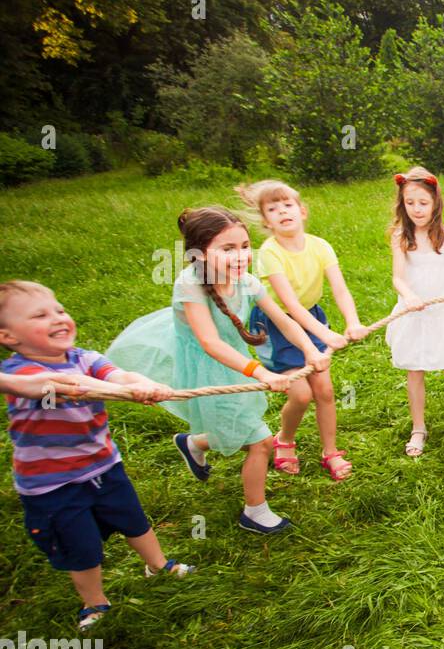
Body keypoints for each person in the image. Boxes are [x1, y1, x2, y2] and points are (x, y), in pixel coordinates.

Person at [108, 207, 325, 535]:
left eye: (244, 246)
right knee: (261, 441)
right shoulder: (189, 285)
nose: (240, 256)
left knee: (239, 427)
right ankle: (255, 512)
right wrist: (261, 373)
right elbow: (210, 343)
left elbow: (281, 319)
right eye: (227, 249)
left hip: (235, 362)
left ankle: (194, 443)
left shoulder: (247, 281)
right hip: (208, 367)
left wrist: (310, 350)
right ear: (199, 253)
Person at [1, 280, 193, 630]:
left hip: (104, 465)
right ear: (9, 337)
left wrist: (141, 383)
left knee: (134, 520)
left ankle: (158, 564)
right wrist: (127, 391)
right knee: (81, 546)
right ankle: (95, 603)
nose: (58, 318)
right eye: (40, 315)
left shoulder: (84, 358)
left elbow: (119, 373)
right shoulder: (19, 373)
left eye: (59, 309)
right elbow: (72, 388)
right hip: (52, 485)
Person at [237, 179, 366, 480]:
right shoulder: (269, 253)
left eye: (287, 204)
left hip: (311, 318)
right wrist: (323, 334)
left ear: (302, 210)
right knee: (300, 395)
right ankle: (285, 439)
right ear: (266, 221)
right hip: (277, 325)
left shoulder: (320, 246)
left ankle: (330, 451)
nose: (282, 211)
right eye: (273, 208)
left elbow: (341, 290)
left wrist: (353, 321)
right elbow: (290, 306)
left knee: (324, 389)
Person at [385, 167, 444, 455]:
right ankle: (418, 428)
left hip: (443, 315)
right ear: (402, 203)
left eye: (423, 203)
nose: (416, 209)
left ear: (436, 203)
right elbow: (398, 277)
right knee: (415, 369)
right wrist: (410, 296)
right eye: (410, 203)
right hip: (413, 313)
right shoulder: (401, 236)